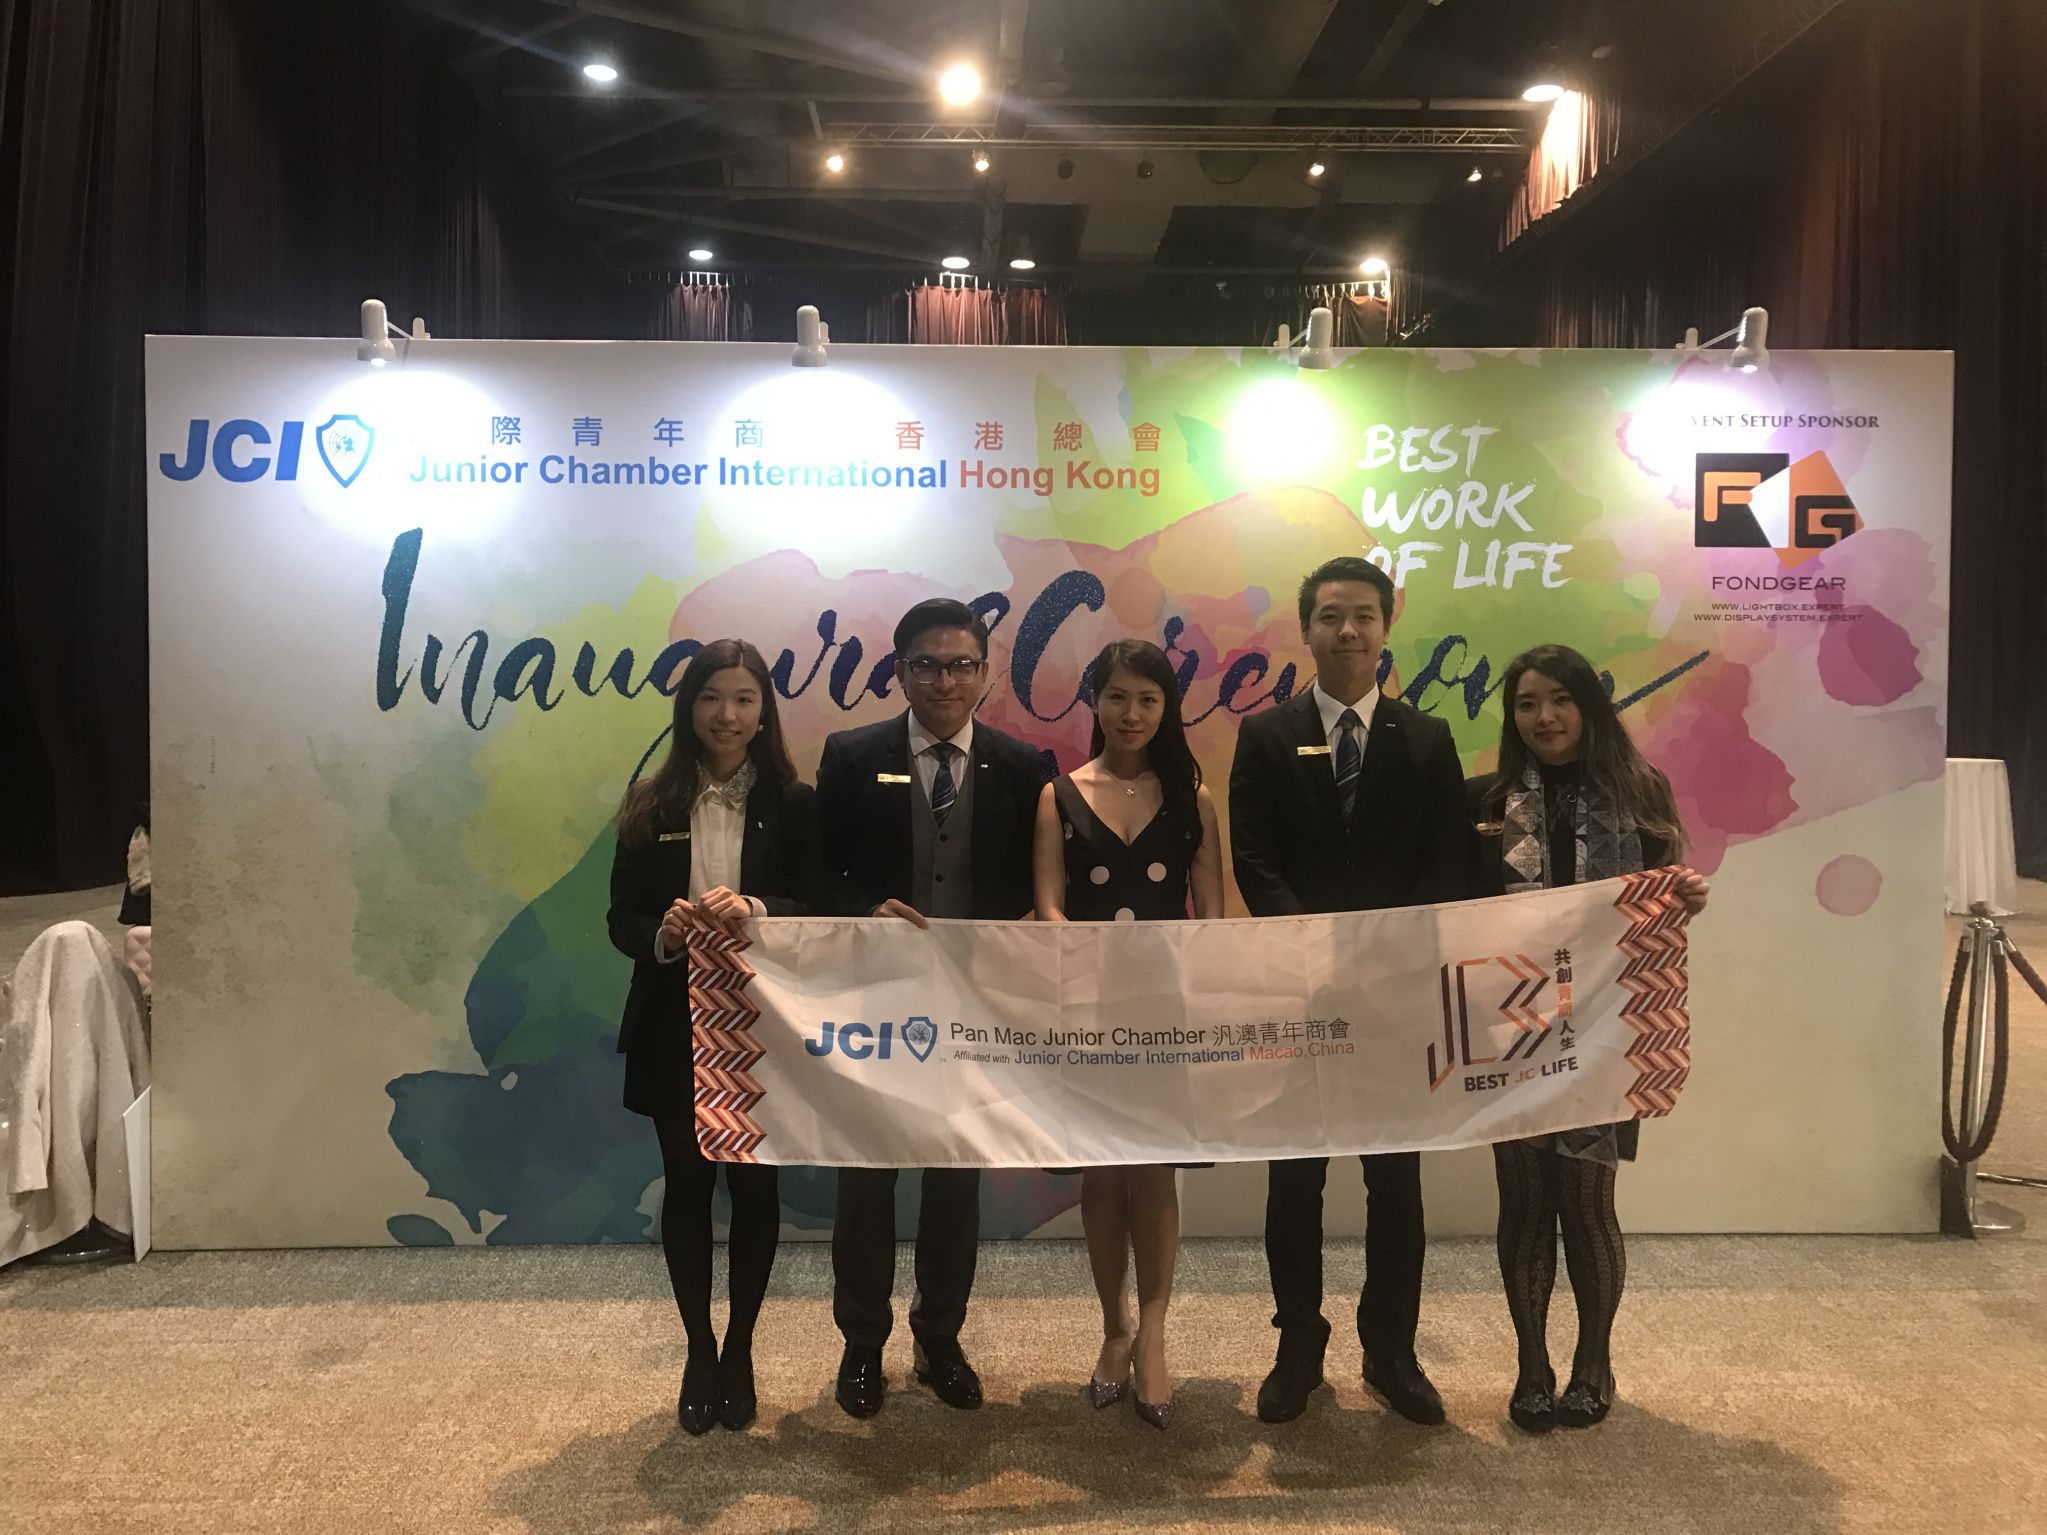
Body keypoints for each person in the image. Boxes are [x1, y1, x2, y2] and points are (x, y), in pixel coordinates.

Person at [1228, 555, 1468, 1427]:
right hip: (1298, 993)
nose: (1347, 631)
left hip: (1393, 998)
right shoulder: (1265, 734)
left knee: (1394, 1183)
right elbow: (1253, 858)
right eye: (1330, 616)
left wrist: (1380, 956)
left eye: (1363, 615)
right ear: (1306, 629)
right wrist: (1313, 949)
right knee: (1294, 1181)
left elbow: (1446, 861)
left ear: (1385, 625)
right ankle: (1297, 1345)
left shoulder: (1426, 737)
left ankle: (1390, 1349)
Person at [1467, 643, 1709, 1432]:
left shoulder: (1639, 790)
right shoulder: (1484, 800)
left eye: (1560, 699)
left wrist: (1683, 897)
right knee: (1523, 1202)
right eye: (1526, 703)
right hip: (1509, 1030)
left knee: (1585, 1199)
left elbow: (1660, 897)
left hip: (1608, 1027)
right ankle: (1531, 1365)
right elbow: (1453, 914)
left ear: (1588, 706)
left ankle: (1592, 1361)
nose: (1543, 717)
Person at [814, 597, 1043, 1419]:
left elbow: (1035, 877)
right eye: (926, 665)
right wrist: (863, 909)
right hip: (872, 1003)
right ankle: (861, 1342)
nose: (944, 681)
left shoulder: (1022, 764)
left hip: (973, 1006)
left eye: (960, 665)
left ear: (984, 673)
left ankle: (939, 1336)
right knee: (866, 1177)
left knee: (954, 1178)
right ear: (899, 670)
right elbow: (819, 872)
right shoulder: (850, 755)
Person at [606, 638, 824, 1436]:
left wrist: (759, 910)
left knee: (757, 1190)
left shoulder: (796, 803)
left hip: (765, 1025)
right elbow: (620, 918)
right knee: (689, 1184)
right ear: (687, 707)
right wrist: (661, 935)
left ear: (763, 711)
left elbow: (819, 909)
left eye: (741, 698)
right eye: (709, 697)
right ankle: (699, 1349)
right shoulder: (650, 803)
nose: (725, 714)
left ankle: (741, 1348)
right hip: (674, 1021)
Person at [1031, 640, 1224, 1430]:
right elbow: (1048, 906)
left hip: (1165, 1008)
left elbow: (1210, 916)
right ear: (1094, 702)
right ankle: (1113, 1327)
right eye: (1116, 696)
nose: (1132, 713)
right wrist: (1087, 968)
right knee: (1102, 1173)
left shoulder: (1193, 799)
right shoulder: (1058, 795)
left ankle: (1153, 1333)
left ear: (1166, 706)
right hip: (1087, 1008)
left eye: (1147, 698)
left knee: (1154, 1170)